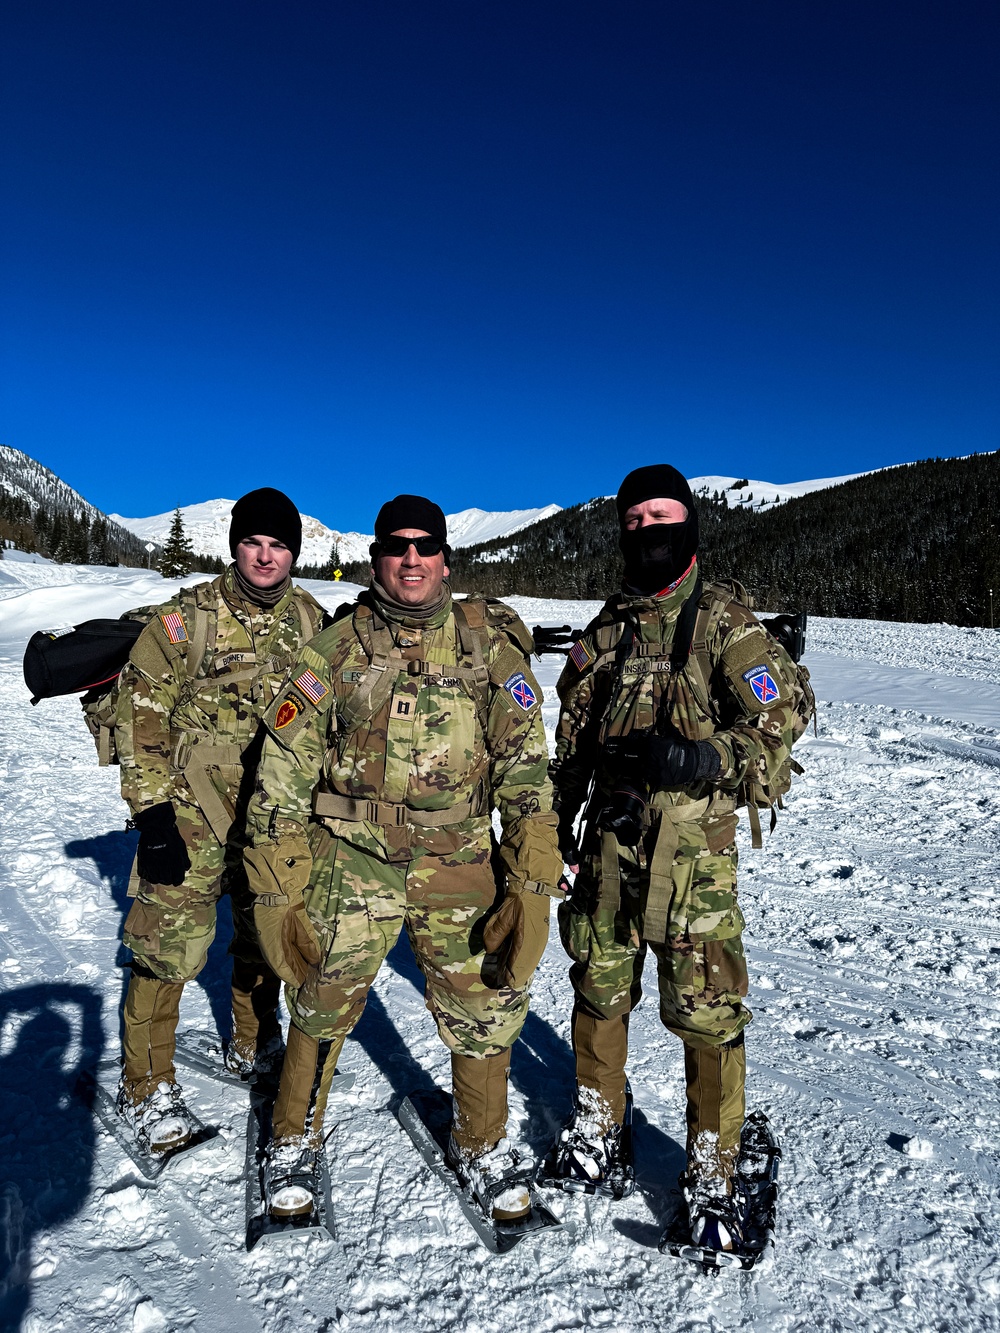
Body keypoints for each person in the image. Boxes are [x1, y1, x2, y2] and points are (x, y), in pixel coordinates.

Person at [243, 494, 563, 1224]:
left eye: (425, 546)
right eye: (397, 546)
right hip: (352, 857)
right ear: (376, 557)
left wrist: (532, 882)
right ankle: (293, 1135)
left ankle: (481, 1142)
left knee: (486, 1000)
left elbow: (526, 772)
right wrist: (276, 886)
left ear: (445, 559)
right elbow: (283, 771)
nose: (411, 558)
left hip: (459, 859)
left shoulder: (491, 649)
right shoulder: (334, 649)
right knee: (322, 993)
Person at [546, 464, 810, 1252]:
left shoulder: (724, 621)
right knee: (597, 984)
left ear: (689, 524)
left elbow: (786, 720)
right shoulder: (607, 629)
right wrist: (557, 819)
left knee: (706, 1013)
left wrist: (702, 757)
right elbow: (572, 742)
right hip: (609, 845)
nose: (648, 530)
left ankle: (714, 1171)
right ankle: (598, 1124)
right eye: (635, 519)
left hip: (693, 858)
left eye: (663, 515)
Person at [115, 488, 328, 1153]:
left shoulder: (309, 618)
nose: (265, 557)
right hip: (188, 811)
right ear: (235, 545)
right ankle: (144, 1085)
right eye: (253, 543)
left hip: (272, 809)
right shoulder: (188, 619)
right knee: (166, 947)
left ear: (293, 551)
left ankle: (252, 1042)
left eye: (278, 545)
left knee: (264, 931)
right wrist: (152, 817)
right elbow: (139, 720)